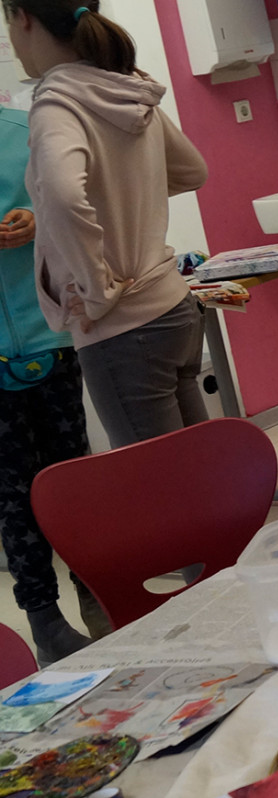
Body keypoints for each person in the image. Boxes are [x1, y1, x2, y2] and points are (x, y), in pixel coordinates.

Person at [3, 0, 210, 449]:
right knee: (197, 466)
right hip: (173, 306)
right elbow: (192, 171)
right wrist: (123, 195)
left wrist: (97, 291)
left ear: (23, 17)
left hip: (124, 327)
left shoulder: (56, 104)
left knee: (161, 478)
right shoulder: (124, 87)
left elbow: (62, 196)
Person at [0, 103, 91, 665]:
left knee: (74, 480)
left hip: (50, 334)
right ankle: (46, 622)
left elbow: (81, 204)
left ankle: (100, 593)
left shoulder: (28, 132)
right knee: (13, 496)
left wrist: (39, 222)